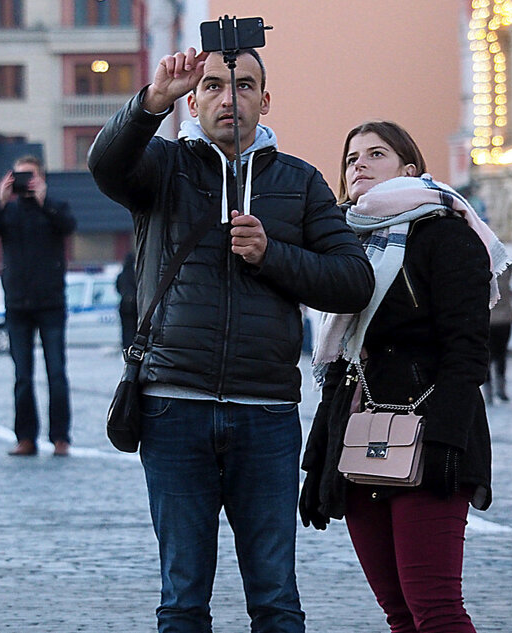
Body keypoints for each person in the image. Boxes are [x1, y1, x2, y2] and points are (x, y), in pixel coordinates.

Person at [88, 45, 374, 633]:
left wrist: (273, 255)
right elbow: (106, 165)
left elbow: (353, 281)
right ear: (193, 101)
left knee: (275, 600)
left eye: (243, 86)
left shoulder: (299, 182)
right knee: (183, 600)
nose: (228, 99)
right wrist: (149, 103)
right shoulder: (163, 168)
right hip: (174, 408)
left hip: (265, 414)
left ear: (264, 101)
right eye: (213, 86)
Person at [300, 121, 509, 633]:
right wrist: (318, 464)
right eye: (351, 159)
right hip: (358, 444)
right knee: (397, 613)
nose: (360, 166)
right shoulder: (346, 245)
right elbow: (343, 362)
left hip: (428, 441)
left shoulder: (447, 236)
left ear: (410, 169)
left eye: (376, 154)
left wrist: (445, 444)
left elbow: (467, 353)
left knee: (435, 610)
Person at [0, 155, 77, 457]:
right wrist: (0, 200)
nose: (25, 183)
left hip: (51, 303)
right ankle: (26, 438)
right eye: (19, 177)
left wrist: (44, 201)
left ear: (42, 178)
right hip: (18, 304)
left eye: (30, 177)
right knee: (22, 376)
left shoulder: (55, 207)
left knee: (56, 372)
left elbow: (69, 226)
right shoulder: (8, 211)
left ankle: (60, 438)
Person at [485, 266, 512, 403]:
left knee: (487, 356)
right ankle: (501, 390)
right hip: (504, 320)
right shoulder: (506, 270)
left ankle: (488, 392)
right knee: (501, 355)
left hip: (487, 321)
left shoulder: (481, 271)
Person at [116, 251, 137, 351]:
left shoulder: (121, 276)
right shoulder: (135, 275)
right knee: (134, 327)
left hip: (124, 305)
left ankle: (126, 346)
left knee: (125, 328)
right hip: (135, 305)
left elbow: (118, 289)